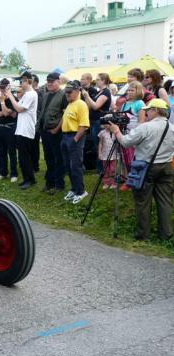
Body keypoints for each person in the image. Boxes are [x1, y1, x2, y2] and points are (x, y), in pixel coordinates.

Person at [108, 99, 174, 240]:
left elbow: (126, 142)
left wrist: (117, 131)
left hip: (146, 166)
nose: (146, 112)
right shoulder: (172, 127)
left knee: (143, 201)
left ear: (155, 110)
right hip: (166, 166)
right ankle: (166, 234)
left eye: (148, 110)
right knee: (165, 201)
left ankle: (143, 234)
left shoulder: (145, 127)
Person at [6, 71, 38, 189]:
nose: (20, 84)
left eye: (22, 81)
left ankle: (30, 179)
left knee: (25, 156)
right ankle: (27, 178)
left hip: (26, 130)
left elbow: (19, 109)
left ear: (27, 81)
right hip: (22, 129)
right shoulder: (26, 94)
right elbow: (17, 106)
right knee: (22, 156)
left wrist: (10, 96)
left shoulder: (31, 94)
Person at [60, 80, 90, 204]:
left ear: (77, 92)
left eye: (69, 92)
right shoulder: (70, 103)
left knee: (75, 165)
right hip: (65, 137)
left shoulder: (81, 104)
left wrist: (75, 139)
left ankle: (80, 191)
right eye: (66, 92)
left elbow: (84, 125)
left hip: (74, 136)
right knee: (68, 165)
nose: (67, 94)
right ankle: (74, 188)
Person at [37, 72, 67, 194]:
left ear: (58, 82)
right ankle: (49, 182)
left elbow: (65, 115)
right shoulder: (46, 95)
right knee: (48, 158)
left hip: (56, 131)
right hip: (45, 130)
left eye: (52, 81)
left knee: (58, 158)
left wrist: (57, 129)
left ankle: (59, 184)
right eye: (48, 81)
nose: (49, 83)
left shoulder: (63, 95)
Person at [82, 72, 112, 173]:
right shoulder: (100, 92)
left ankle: (102, 169)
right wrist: (86, 97)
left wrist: (86, 96)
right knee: (96, 144)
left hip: (100, 121)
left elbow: (95, 106)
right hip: (94, 121)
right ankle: (99, 168)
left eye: (98, 79)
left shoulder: (106, 92)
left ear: (104, 81)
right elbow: (89, 106)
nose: (96, 81)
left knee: (100, 145)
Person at [0, 78, 18, 182]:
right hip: (0, 128)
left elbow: (9, 114)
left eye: (4, 87)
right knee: (2, 152)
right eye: (1, 87)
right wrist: (4, 111)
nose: (2, 89)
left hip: (10, 127)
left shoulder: (13, 98)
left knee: (11, 152)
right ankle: (3, 172)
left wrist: (3, 103)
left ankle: (14, 174)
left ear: (9, 87)